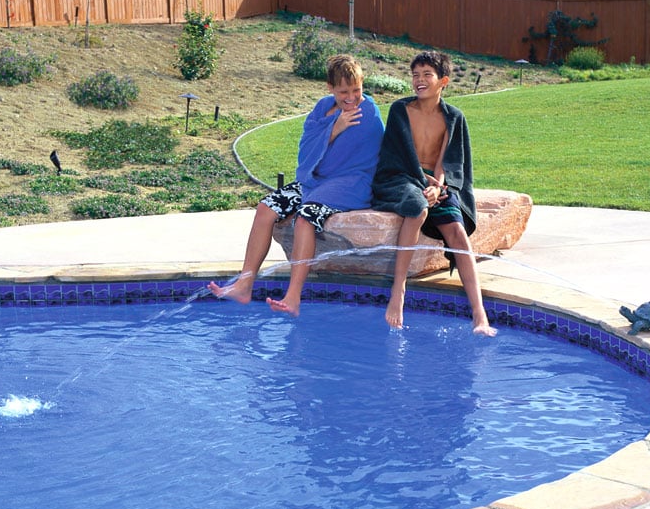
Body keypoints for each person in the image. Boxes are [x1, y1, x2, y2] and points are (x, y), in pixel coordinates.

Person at [208, 54, 384, 316]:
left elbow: (374, 154)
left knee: (306, 217)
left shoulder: (367, 111)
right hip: (314, 179)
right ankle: (244, 284)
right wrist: (334, 129)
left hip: (352, 182)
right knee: (265, 208)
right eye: (343, 91)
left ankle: (293, 298)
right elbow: (306, 154)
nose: (351, 97)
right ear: (330, 88)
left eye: (356, 90)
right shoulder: (322, 108)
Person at [371, 51, 496, 336]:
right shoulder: (400, 110)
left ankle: (479, 314)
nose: (419, 80)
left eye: (427, 75)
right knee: (417, 208)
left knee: (457, 230)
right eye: (415, 75)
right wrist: (423, 184)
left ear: (443, 81)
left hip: (435, 183)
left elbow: (448, 162)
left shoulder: (453, 118)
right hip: (401, 177)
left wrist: (438, 186)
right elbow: (396, 157)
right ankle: (398, 290)